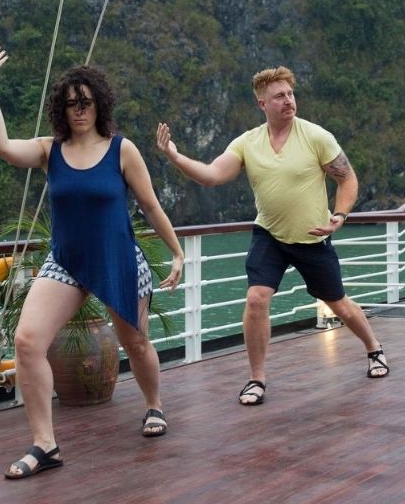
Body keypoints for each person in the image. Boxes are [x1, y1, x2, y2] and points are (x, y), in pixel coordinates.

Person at [0, 47, 184, 479]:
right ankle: (45, 445)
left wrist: (177, 252)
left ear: (99, 104)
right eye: (71, 102)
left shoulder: (122, 150)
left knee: (136, 343)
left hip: (117, 258)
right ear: (61, 107)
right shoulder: (49, 150)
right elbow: (1, 146)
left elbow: (150, 206)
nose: (79, 109)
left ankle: (154, 405)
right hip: (67, 261)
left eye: (86, 101)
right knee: (27, 341)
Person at [156, 66, 387, 406]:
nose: (288, 101)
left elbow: (347, 179)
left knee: (338, 303)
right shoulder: (248, 143)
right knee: (256, 299)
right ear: (262, 104)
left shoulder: (316, 137)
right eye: (279, 96)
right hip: (270, 235)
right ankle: (256, 378)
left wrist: (339, 216)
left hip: (312, 237)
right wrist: (175, 156)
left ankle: (374, 348)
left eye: (290, 94)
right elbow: (211, 175)